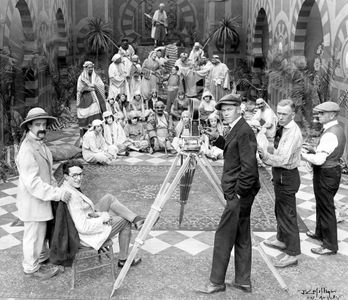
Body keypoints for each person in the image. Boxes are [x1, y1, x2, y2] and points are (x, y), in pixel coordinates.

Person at [197, 94, 260, 294]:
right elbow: (232, 150)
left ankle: (216, 282)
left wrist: (238, 194)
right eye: (223, 110)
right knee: (242, 235)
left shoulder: (244, 131)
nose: (225, 113)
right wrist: (217, 139)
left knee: (223, 235)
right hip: (240, 193)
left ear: (239, 108)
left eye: (229, 109)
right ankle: (243, 281)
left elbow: (249, 169)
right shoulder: (236, 128)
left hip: (240, 194)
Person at [16, 107, 72, 279]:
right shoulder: (27, 150)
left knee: (41, 231)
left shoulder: (41, 145)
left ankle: (41, 258)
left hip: (42, 198)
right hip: (33, 200)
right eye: (37, 124)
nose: (42, 127)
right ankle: (31, 268)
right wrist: (56, 194)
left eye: (44, 124)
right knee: (33, 235)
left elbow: (47, 172)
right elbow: (33, 183)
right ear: (29, 127)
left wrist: (58, 188)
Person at [61, 160, 144, 267]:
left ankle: (136, 219)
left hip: (88, 216)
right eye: (74, 175)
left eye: (80, 174)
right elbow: (83, 227)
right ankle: (123, 259)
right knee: (124, 221)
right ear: (66, 176)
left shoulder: (66, 187)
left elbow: (81, 214)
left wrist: (96, 214)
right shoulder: (72, 198)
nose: (79, 178)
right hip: (84, 236)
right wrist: (102, 219)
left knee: (109, 198)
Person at [258, 99, 302, 268]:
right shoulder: (282, 127)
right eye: (279, 113)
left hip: (287, 175)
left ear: (293, 115)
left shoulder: (293, 132)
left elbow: (283, 159)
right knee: (280, 210)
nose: (281, 117)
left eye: (284, 114)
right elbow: (276, 148)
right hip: (280, 174)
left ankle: (292, 254)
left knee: (288, 215)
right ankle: (281, 240)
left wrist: (265, 157)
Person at [301, 102, 346, 255]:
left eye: (321, 114)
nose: (318, 116)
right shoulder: (336, 128)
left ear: (332, 115)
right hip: (330, 171)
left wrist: (304, 155)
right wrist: (315, 150)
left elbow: (320, 160)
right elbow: (328, 152)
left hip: (326, 173)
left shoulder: (330, 133)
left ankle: (330, 245)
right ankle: (319, 233)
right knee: (322, 204)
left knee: (326, 208)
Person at [77, 61, 107, 140]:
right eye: (89, 67)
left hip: (95, 99)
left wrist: (95, 86)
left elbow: (101, 85)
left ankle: (98, 135)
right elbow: (79, 89)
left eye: (91, 67)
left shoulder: (96, 76)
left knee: (96, 116)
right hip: (85, 100)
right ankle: (85, 137)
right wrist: (88, 88)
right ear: (85, 68)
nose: (90, 69)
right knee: (84, 117)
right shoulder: (81, 77)